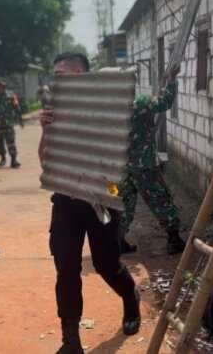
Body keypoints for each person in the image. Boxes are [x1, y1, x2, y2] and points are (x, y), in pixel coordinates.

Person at [39, 52, 141, 354]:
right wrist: (48, 132)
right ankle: (70, 341)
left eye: (66, 75)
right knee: (66, 268)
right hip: (66, 200)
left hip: (101, 199)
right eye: (56, 75)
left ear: (85, 78)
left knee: (106, 265)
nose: (60, 82)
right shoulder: (55, 113)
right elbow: (46, 160)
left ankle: (130, 297)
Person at [118, 64, 186, 256]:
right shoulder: (140, 103)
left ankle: (117, 241)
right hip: (144, 166)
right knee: (160, 199)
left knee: (123, 203)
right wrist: (171, 80)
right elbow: (165, 102)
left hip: (121, 167)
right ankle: (173, 239)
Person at [0, 78, 22, 168]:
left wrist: (20, 118)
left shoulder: (10, 95)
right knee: (0, 143)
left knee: (11, 142)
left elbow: (16, 106)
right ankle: (3, 158)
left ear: (3, 86)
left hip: (8, 123)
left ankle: (14, 160)